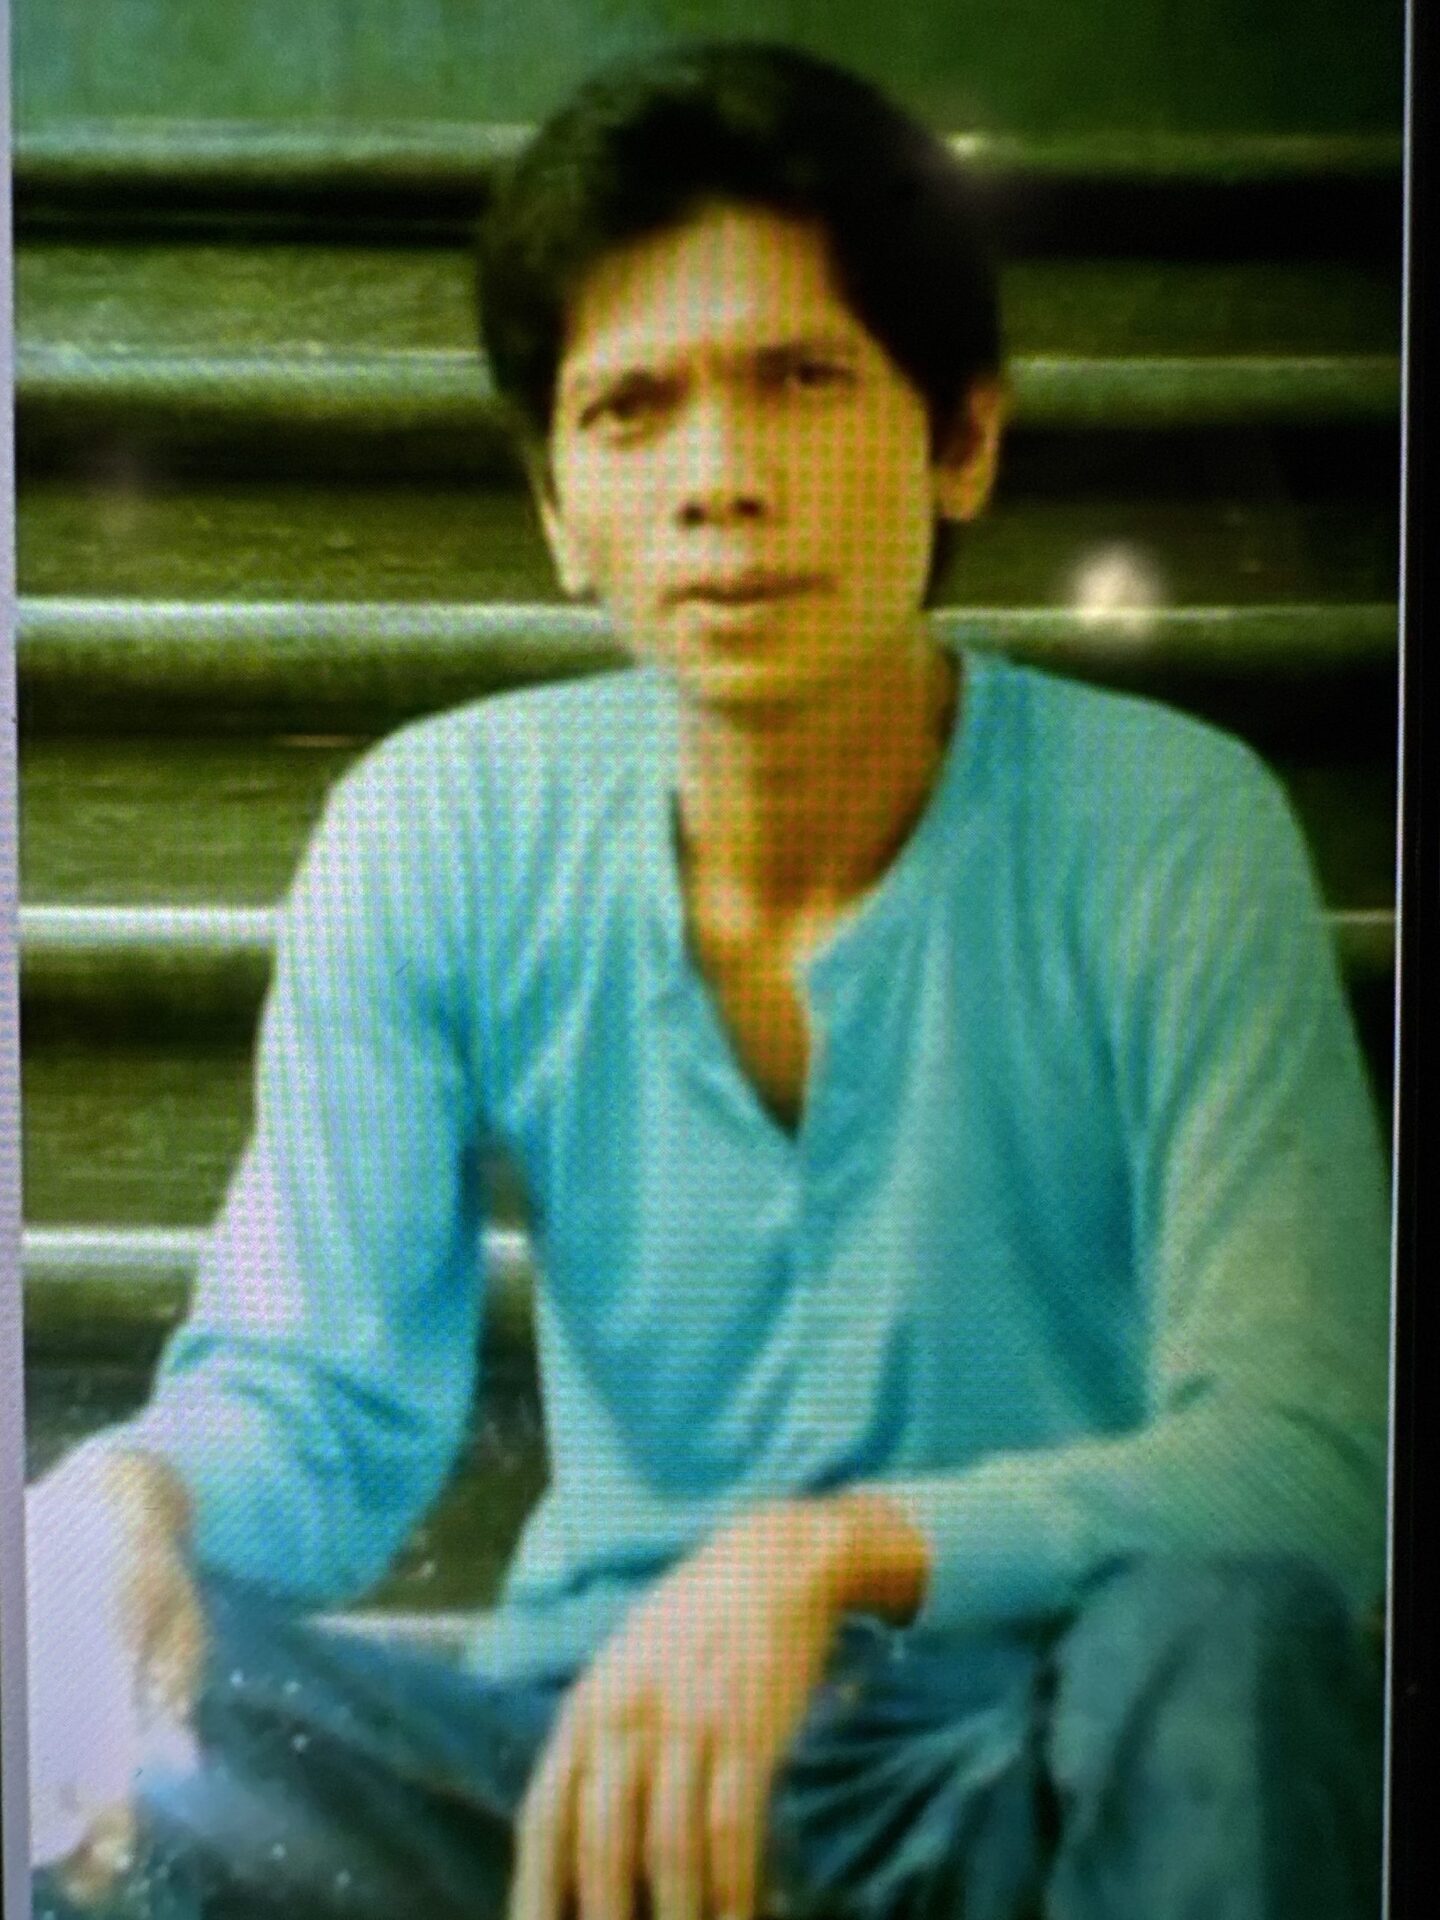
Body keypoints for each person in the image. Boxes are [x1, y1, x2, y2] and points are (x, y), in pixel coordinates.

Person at [28, 38, 1389, 1920]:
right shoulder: (435, 826)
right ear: (553, 511)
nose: (719, 482)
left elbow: (1314, 1468)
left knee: (1236, 1642)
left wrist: (819, 1557)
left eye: (801, 382)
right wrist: (127, 1497)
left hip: (1032, 1768)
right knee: (113, 1695)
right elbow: (322, 1404)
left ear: (963, 440)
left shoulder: (1170, 826)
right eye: (631, 409)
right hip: (572, 1788)